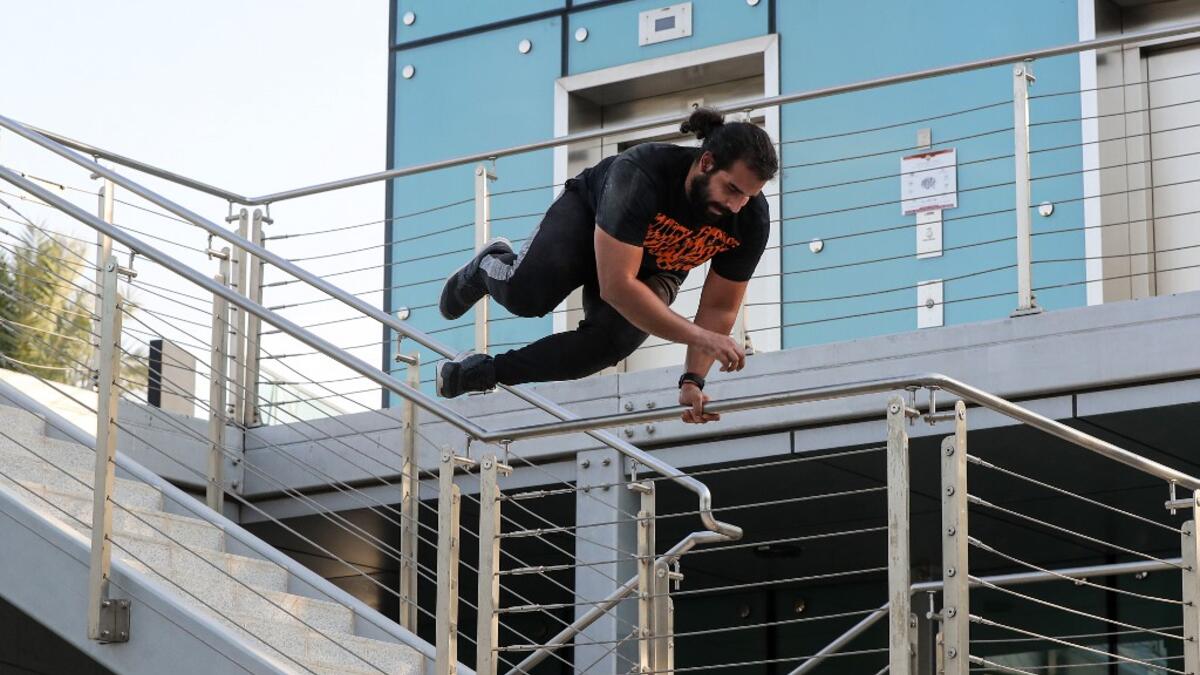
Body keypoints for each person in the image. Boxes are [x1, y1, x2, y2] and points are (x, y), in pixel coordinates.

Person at [436, 107, 777, 424]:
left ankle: (483, 372)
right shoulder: (642, 173)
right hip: (587, 225)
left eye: (747, 196)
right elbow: (617, 287)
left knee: (609, 344)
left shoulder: (751, 220)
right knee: (526, 297)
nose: (736, 206)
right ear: (706, 162)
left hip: (657, 267)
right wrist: (703, 337)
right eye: (731, 189)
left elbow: (719, 307)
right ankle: (487, 266)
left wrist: (692, 380)